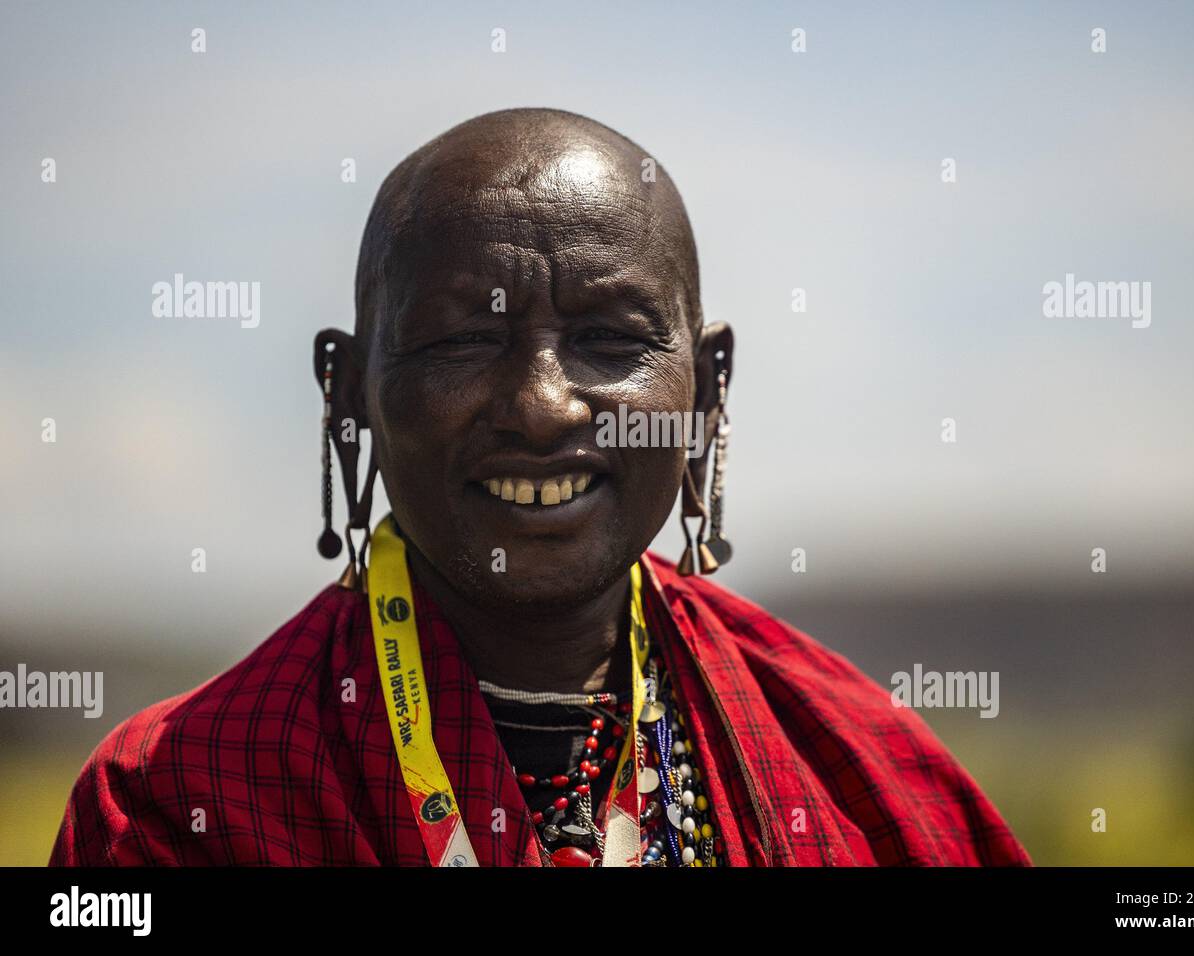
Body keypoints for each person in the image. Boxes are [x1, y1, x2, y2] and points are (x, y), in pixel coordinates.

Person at [50, 108, 1030, 867]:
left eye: (610, 339)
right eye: (462, 339)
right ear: (348, 391)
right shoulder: (175, 799)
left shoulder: (865, 771)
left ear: (709, 386)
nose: (544, 405)